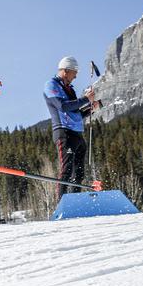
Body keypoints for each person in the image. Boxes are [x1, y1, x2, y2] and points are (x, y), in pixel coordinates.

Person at [43, 56, 96, 200]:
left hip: (77, 134)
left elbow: (75, 113)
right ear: (65, 71)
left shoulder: (70, 89)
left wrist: (90, 109)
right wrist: (85, 99)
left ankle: (74, 201)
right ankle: (62, 203)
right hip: (64, 132)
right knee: (66, 169)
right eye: (74, 72)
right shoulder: (51, 85)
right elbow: (63, 106)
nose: (76, 76)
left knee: (79, 173)